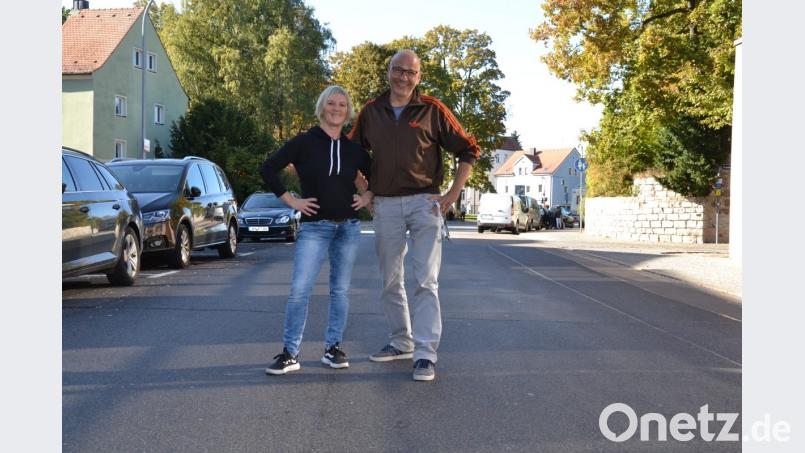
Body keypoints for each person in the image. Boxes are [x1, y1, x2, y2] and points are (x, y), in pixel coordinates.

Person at [349, 49, 479, 382]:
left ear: (418, 77)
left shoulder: (432, 110)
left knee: (425, 280)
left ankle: (424, 354)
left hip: (425, 204)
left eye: (410, 72)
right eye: (398, 70)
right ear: (388, 72)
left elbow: (468, 149)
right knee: (390, 280)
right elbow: (350, 152)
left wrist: (452, 194)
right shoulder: (371, 111)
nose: (403, 76)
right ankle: (401, 341)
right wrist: (366, 190)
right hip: (386, 206)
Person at [261, 85, 373, 375]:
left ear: (347, 112)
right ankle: (290, 353)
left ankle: (332, 349)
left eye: (342, 105)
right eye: (332, 104)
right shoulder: (304, 142)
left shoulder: (353, 150)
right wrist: (291, 201)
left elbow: (379, 177)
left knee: (340, 291)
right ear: (322, 107)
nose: (337, 109)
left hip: (347, 228)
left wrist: (367, 197)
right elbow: (268, 168)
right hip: (314, 228)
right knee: (300, 291)